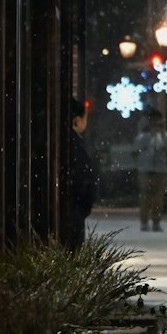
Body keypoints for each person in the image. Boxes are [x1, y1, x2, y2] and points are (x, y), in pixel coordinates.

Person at [133, 107, 167, 231]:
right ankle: (144, 221)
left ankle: (156, 222)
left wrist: (162, 133)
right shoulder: (144, 135)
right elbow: (136, 146)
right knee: (145, 196)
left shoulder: (164, 135)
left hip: (160, 170)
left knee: (158, 198)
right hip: (145, 168)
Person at [69, 98, 98, 250]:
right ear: (77, 121)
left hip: (73, 208)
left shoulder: (63, 142)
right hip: (74, 211)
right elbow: (83, 178)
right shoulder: (75, 145)